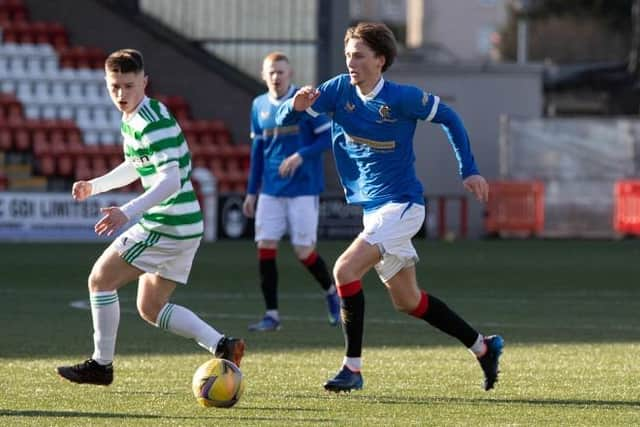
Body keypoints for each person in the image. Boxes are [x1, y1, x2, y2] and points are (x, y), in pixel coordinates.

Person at [276, 23, 504, 392]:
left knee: (344, 271)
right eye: (348, 55)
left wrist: (470, 170)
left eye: (359, 55)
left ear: (380, 61)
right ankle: (484, 347)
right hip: (375, 210)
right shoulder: (337, 91)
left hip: (403, 206)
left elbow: (449, 117)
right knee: (408, 301)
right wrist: (295, 106)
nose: (351, 62)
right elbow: (288, 117)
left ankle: (353, 368)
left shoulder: (402, 98)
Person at [56, 49, 245, 386]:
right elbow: (137, 166)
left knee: (100, 280)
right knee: (151, 307)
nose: (121, 94)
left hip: (167, 223)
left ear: (145, 82)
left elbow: (170, 180)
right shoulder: (139, 115)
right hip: (185, 224)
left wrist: (125, 213)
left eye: (129, 86)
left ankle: (101, 365)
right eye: (114, 86)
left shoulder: (149, 122)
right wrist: (94, 187)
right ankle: (223, 345)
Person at [243, 51, 340, 332]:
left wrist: (301, 155)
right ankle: (271, 315)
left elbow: (329, 137)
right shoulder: (258, 105)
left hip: (303, 188)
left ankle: (331, 292)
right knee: (265, 246)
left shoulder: (306, 102)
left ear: (290, 74)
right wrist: (252, 191)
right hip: (271, 190)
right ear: (264, 75)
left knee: (303, 251)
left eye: (281, 72)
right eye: (271, 72)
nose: (276, 76)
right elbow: (258, 151)